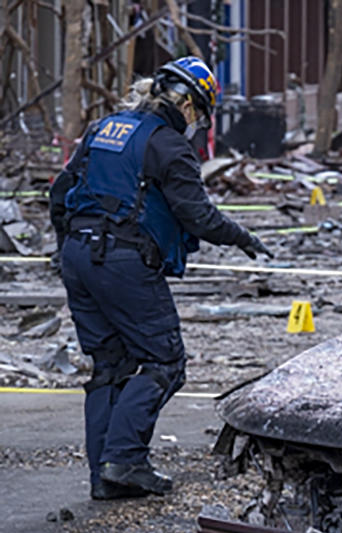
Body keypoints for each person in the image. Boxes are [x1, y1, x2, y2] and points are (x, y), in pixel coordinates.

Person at [49, 56, 273, 500]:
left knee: (109, 366)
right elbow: (199, 215)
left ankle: (105, 476)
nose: (197, 124)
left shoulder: (103, 129)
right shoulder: (169, 145)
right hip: (122, 261)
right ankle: (125, 461)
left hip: (79, 254)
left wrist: (65, 250)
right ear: (187, 104)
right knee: (164, 362)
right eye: (199, 114)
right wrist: (242, 237)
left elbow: (61, 192)